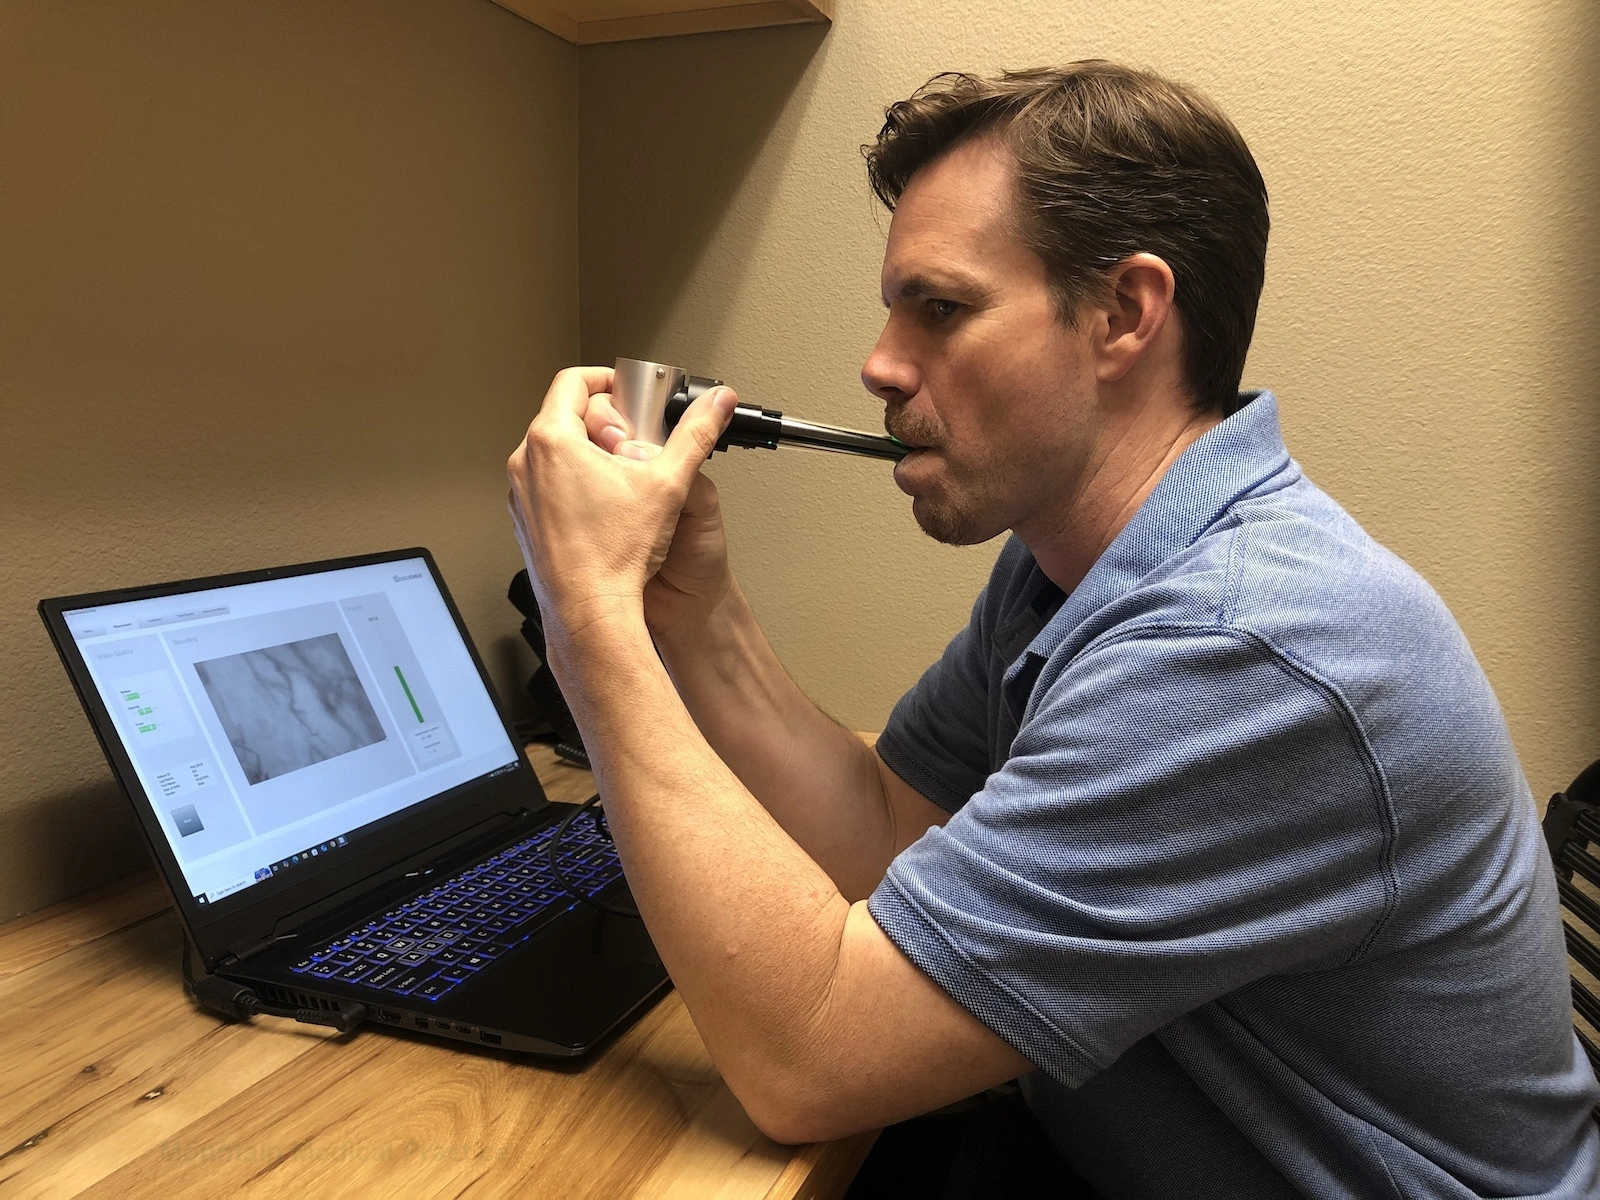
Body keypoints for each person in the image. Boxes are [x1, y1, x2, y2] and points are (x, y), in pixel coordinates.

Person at [506, 62, 1599, 1198]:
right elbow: (890, 834)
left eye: (940, 308)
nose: (878, 362)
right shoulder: (1069, 564)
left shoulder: (1246, 647)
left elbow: (807, 1062)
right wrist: (692, 616)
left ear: (1124, 314)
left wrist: (589, 618)